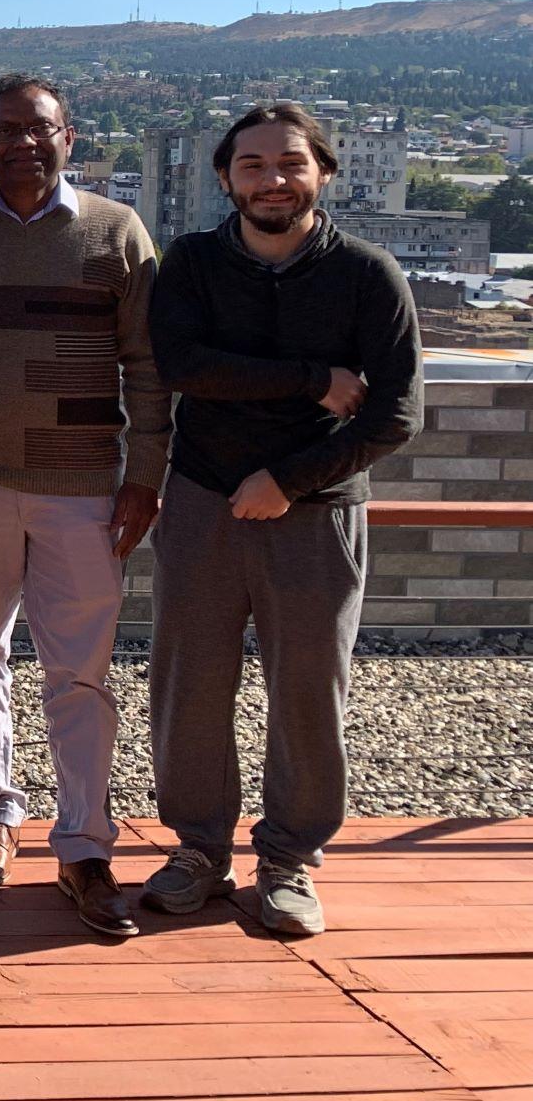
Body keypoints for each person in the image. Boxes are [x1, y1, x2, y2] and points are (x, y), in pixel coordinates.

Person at [144, 103, 422, 936]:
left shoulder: (370, 275)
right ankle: (199, 849)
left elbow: (396, 413)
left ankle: (290, 859)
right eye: (254, 164)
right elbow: (184, 365)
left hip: (317, 511)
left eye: (291, 163)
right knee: (189, 684)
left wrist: (288, 479)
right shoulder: (190, 263)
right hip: (200, 500)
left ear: (324, 172)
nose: (273, 179)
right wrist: (311, 377)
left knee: (308, 689)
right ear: (225, 175)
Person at [0, 74, 168, 939]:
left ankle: (85, 843)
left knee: (80, 670)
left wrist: (147, 476)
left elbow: (149, 366)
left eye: (39, 127)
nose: (22, 142)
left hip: (85, 487)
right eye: (5, 128)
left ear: (72, 136)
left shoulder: (116, 230)